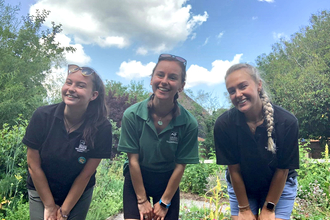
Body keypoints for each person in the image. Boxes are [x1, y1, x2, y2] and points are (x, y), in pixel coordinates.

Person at [23, 64, 112, 220]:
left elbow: (86, 174)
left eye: (80, 85)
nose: (71, 88)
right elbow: (33, 165)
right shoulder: (42, 116)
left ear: (93, 95)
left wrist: (64, 212)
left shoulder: (102, 127)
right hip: (41, 188)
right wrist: (50, 206)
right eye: (69, 82)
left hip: (78, 192)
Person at [118, 54, 199, 220]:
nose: (164, 81)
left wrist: (164, 203)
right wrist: (141, 200)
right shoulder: (132, 115)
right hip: (137, 177)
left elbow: (180, 166)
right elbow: (133, 161)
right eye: (160, 75)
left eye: (173, 77)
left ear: (181, 86)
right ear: (151, 79)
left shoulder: (189, 123)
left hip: (168, 180)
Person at [214, 63, 299, 220]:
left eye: (243, 86)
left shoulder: (287, 122)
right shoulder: (224, 124)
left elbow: (283, 169)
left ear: (259, 85)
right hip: (242, 186)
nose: (238, 94)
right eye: (231, 91)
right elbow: (234, 169)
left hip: (280, 184)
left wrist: (269, 208)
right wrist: (244, 209)